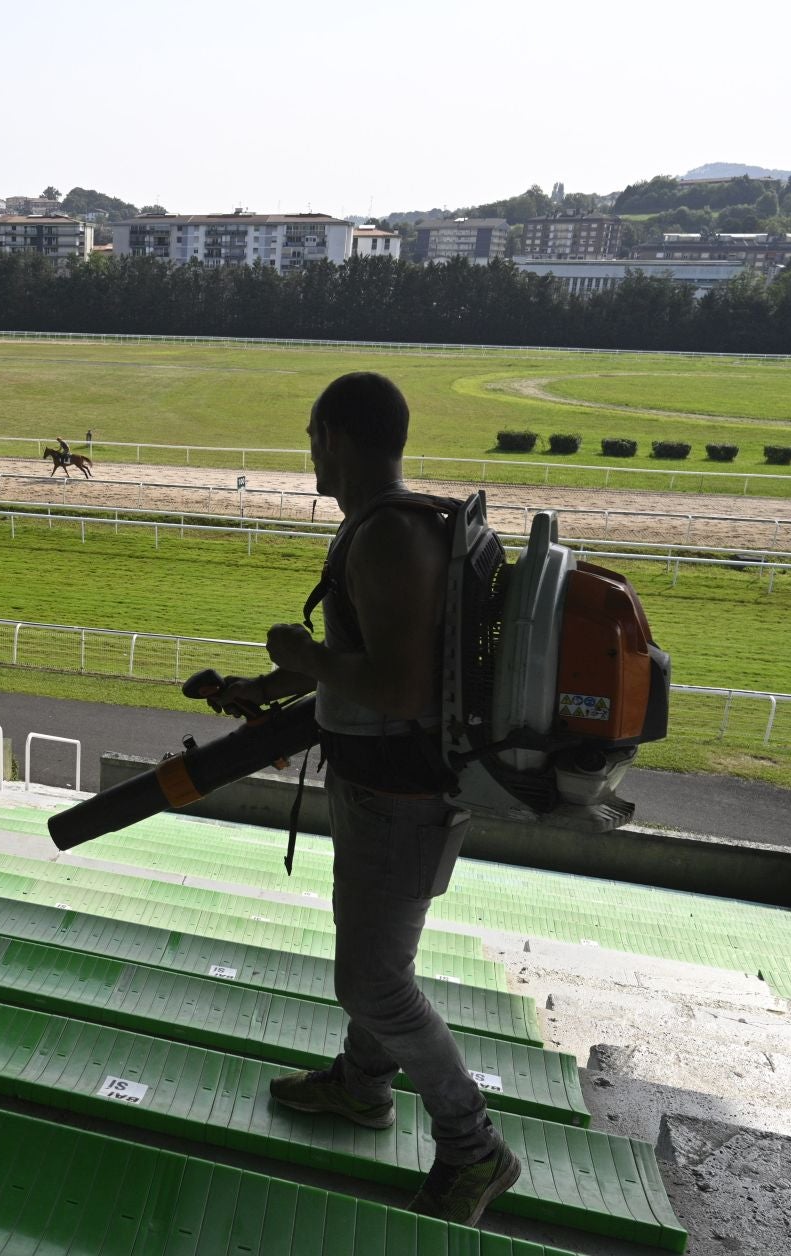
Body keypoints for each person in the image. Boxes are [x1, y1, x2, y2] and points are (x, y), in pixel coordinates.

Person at [203, 371, 520, 1226]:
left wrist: (303, 659)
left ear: (335, 437)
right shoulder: (386, 528)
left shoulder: (384, 538)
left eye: (312, 436)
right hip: (387, 788)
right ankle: (362, 1087)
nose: (309, 452)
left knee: (374, 984)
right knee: (382, 963)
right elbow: (368, 667)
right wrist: (268, 684)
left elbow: (399, 684)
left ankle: (473, 1146)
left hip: (398, 797)